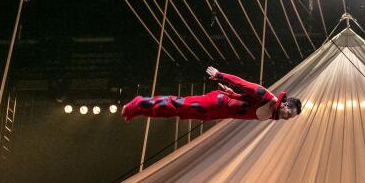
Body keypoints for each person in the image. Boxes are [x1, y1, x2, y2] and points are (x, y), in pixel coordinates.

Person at [121, 66, 302, 122]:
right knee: (179, 104)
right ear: (286, 105)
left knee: (181, 112)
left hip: (220, 112)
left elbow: (247, 104)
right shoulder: (266, 97)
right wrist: (219, 75)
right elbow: (243, 83)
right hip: (217, 103)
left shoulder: (271, 114)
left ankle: (140, 110)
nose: (287, 118)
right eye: (289, 114)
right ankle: (139, 103)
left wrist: (234, 95)